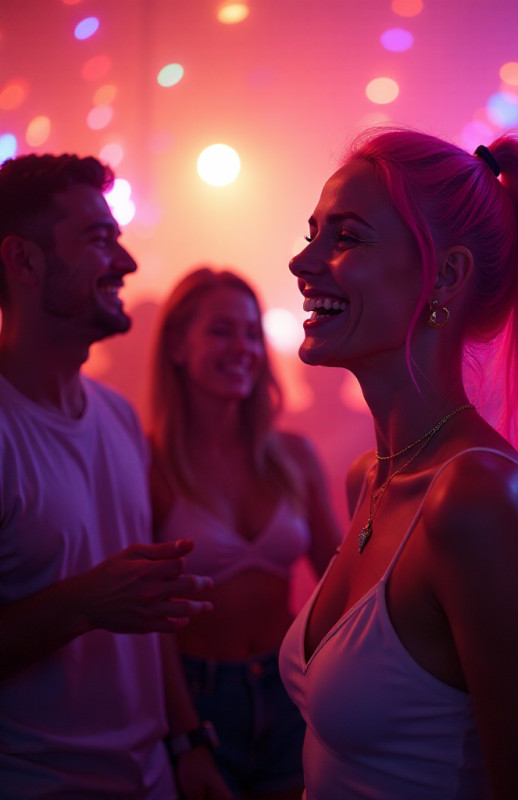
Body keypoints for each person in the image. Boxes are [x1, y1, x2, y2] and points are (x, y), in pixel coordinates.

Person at [279, 128, 518, 799]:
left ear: (445, 275)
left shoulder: (476, 497)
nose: (302, 262)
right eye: (312, 233)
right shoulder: (373, 474)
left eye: (347, 237)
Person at [0, 153, 230, 798]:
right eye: (100, 240)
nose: (126, 263)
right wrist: (83, 603)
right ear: (23, 261)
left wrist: (187, 745)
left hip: (152, 774)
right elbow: (109, 602)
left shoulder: (119, 418)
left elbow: (145, 610)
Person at [149, 267, 341, 800]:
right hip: (197, 696)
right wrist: (186, 739)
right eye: (220, 331)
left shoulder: (292, 455)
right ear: (177, 346)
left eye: (251, 332)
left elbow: (340, 575)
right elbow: (148, 624)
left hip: (290, 685)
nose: (242, 348)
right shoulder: (149, 462)